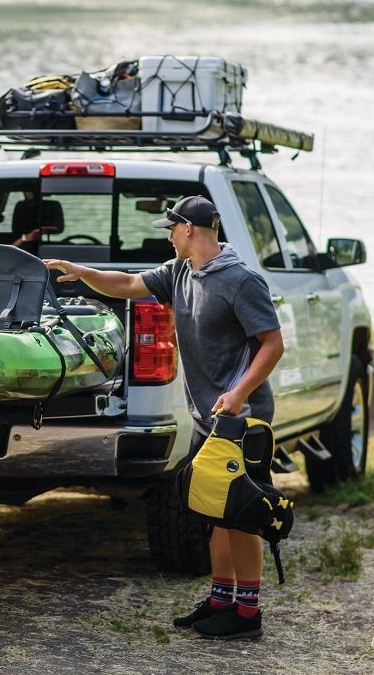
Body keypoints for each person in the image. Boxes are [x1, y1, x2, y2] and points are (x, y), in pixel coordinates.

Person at [44, 196, 284, 640]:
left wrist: (238, 393)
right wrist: (84, 273)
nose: (167, 235)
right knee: (214, 510)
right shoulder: (179, 272)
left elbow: (272, 344)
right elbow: (129, 284)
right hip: (205, 417)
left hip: (242, 417)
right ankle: (220, 599)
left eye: (169, 228)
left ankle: (247, 613)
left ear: (188, 229)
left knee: (242, 514)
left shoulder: (241, 281)